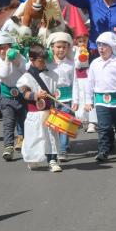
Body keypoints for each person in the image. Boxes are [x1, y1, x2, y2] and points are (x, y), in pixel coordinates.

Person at [85, 32, 116, 161]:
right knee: (104, 127)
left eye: (104, 45)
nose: (101, 48)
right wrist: (88, 100)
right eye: (99, 45)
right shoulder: (94, 63)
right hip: (101, 99)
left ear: (112, 47)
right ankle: (103, 150)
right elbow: (90, 83)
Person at [17, 44, 62, 172]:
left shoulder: (52, 74)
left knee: (51, 137)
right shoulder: (26, 77)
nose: (43, 64)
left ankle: (52, 160)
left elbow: (56, 91)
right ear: (31, 59)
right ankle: (33, 159)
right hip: (35, 113)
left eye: (45, 61)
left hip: (50, 112)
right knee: (34, 137)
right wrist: (36, 95)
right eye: (40, 61)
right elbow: (25, 93)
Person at [0, 33, 27, 161]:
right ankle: (8, 147)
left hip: (22, 94)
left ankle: (24, 141)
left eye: (4, 47)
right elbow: (4, 73)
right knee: (8, 122)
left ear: (10, 47)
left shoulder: (19, 56)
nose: (1, 50)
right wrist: (7, 59)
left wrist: (17, 61)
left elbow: (26, 70)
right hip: (6, 96)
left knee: (24, 121)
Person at [47, 32, 75, 162]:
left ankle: (62, 150)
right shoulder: (47, 64)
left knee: (64, 124)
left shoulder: (71, 64)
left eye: (64, 47)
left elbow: (75, 83)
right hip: (51, 98)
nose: (61, 50)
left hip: (66, 99)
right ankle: (55, 148)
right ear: (52, 47)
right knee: (53, 125)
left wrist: (75, 100)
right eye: (58, 47)